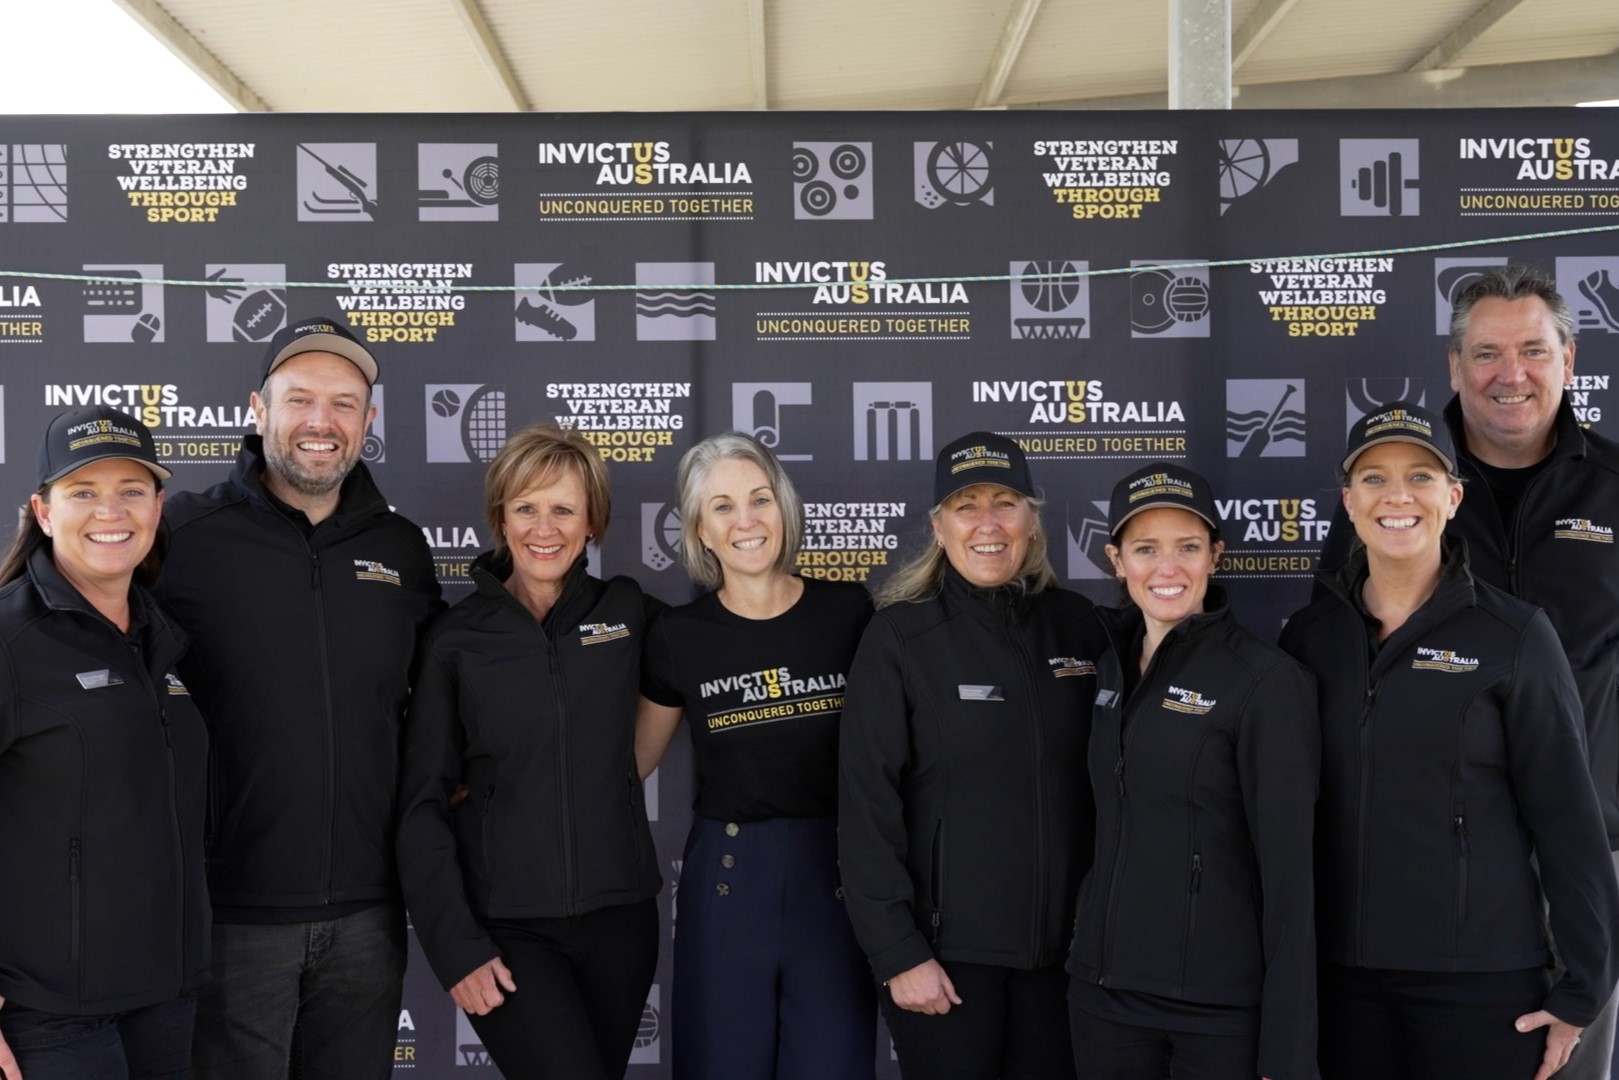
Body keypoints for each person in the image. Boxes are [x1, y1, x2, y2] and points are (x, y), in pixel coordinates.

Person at [1318, 265, 1619, 1078]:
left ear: (1568, 358)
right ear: (1454, 367)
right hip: (1417, 871)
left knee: (1567, 1053)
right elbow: (1338, 659)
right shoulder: (1399, 490)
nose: (1508, 373)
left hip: (1586, 849)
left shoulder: (1613, 488)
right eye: (1485, 353)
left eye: (1532, 350)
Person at [152, 318, 442, 1080]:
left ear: (368, 420)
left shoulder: (400, 549)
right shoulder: (182, 534)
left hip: (370, 914)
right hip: (231, 916)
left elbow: (441, 708)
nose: (322, 421)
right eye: (300, 399)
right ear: (258, 410)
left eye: (344, 404)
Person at [396, 422, 661, 1080]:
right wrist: (454, 947)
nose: (544, 529)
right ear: (500, 518)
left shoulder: (629, 612)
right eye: (525, 508)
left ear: (593, 521)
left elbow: (720, 646)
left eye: (564, 510)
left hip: (621, 922)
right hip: (509, 928)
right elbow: (422, 803)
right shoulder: (456, 640)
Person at [838, 430, 1105, 1080]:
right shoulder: (900, 636)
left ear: (1032, 521)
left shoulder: (1082, 626)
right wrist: (898, 953)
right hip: (945, 967)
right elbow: (866, 808)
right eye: (966, 506)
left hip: (1066, 966)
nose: (988, 523)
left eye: (1005, 503)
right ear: (939, 526)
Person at [636, 432, 877, 1080]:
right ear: (700, 531)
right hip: (727, 882)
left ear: (784, 507)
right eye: (722, 507)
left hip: (837, 881)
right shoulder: (678, 636)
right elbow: (630, 765)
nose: (745, 520)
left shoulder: (848, 612)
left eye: (759, 499)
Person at [1065, 462, 1318, 1080]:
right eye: (1145, 549)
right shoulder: (1106, 664)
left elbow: (1290, 874)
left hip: (1217, 1009)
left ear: (1215, 556)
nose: (1168, 568)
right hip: (1103, 995)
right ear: (1116, 561)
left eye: (1188, 547)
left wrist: (1288, 1047)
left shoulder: (1265, 680)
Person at [0, 407, 209, 1080]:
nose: (110, 511)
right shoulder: (9, 640)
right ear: (43, 511)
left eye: (131, 490)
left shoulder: (161, 636)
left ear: (157, 507)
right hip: (49, 1011)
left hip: (165, 996)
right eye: (83, 491)